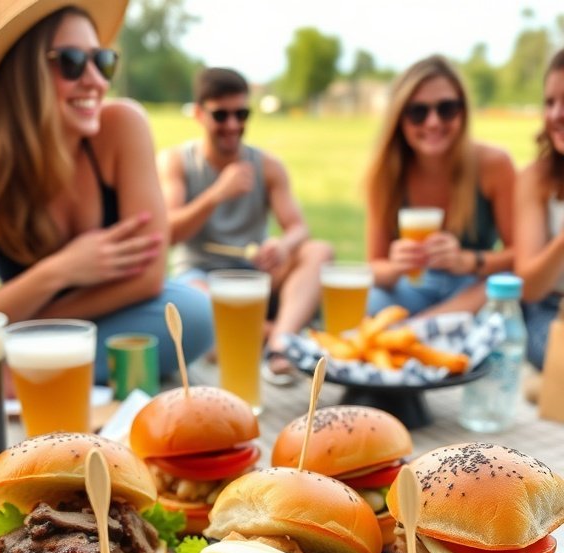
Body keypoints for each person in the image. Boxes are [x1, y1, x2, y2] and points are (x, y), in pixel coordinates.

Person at [0, 0, 214, 386]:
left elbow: (148, 278)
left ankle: (27, 374)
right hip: (34, 331)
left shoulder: (122, 125)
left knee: (192, 313)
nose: (97, 81)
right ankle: (45, 372)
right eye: (73, 62)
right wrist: (62, 269)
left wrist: (38, 325)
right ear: (23, 76)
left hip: (91, 319)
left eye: (103, 61)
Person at [157, 66, 333, 384]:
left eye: (242, 114)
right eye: (221, 116)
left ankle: (277, 342)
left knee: (319, 251)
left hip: (255, 273)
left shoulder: (267, 166)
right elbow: (168, 233)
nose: (233, 125)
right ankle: (291, 333)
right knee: (198, 307)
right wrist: (216, 194)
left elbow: (299, 228)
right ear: (198, 113)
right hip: (201, 277)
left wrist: (282, 245)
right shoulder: (177, 162)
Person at [365, 54, 515, 318]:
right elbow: (375, 268)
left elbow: (520, 257)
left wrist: (466, 261)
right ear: (399, 118)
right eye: (418, 112)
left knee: (501, 286)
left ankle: (422, 327)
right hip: (412, 287)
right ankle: (427, 330)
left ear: (463, 112)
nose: (433, 122)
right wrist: (396, 265)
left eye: (446, 108)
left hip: (470, 287)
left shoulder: (493, 164)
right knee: (370, 302)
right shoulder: (387, 173)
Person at [514, 49, 564, 370]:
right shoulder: (535, 178)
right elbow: (529, 288)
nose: (557, 114)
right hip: (549, 309)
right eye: (549, 102)